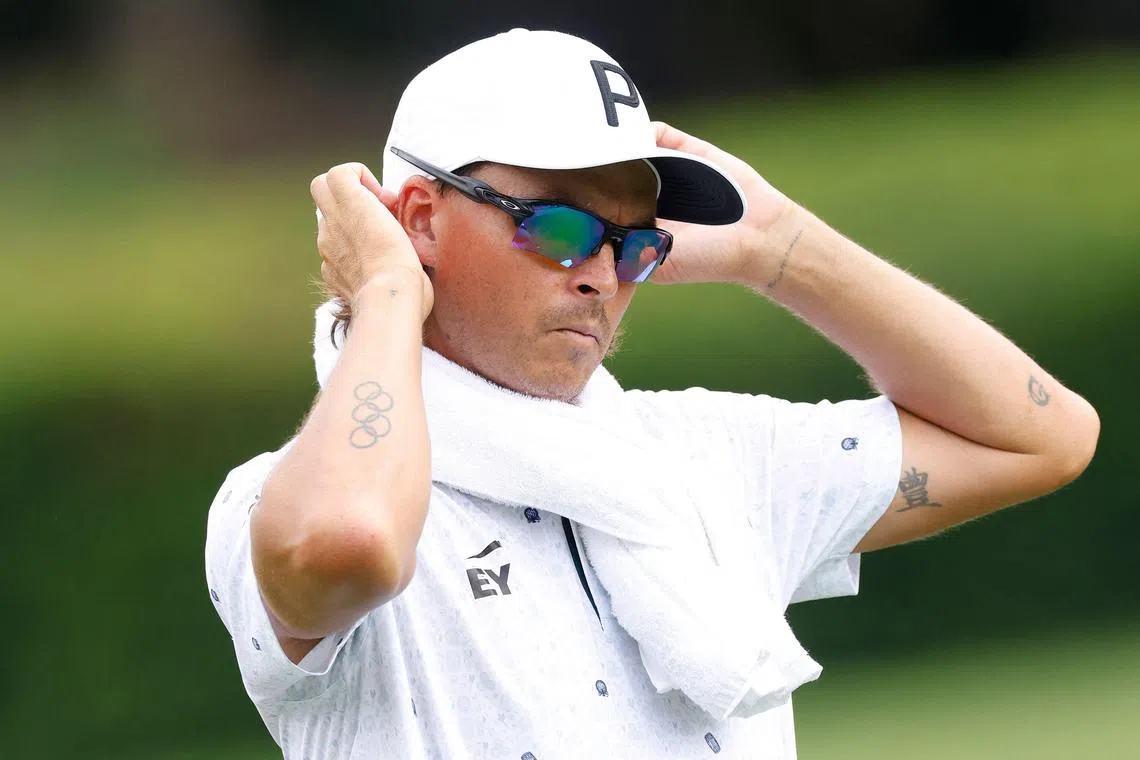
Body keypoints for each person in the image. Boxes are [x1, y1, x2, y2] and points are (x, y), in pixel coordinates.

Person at [204, 29, 1099, 760]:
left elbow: (1040, 435)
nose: (603, 276)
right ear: (420, 223)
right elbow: (350, 543)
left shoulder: (700, 456)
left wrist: (782, 249)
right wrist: (388, 296)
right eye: (558, 226)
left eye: (634, 244)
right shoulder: (273, 499)